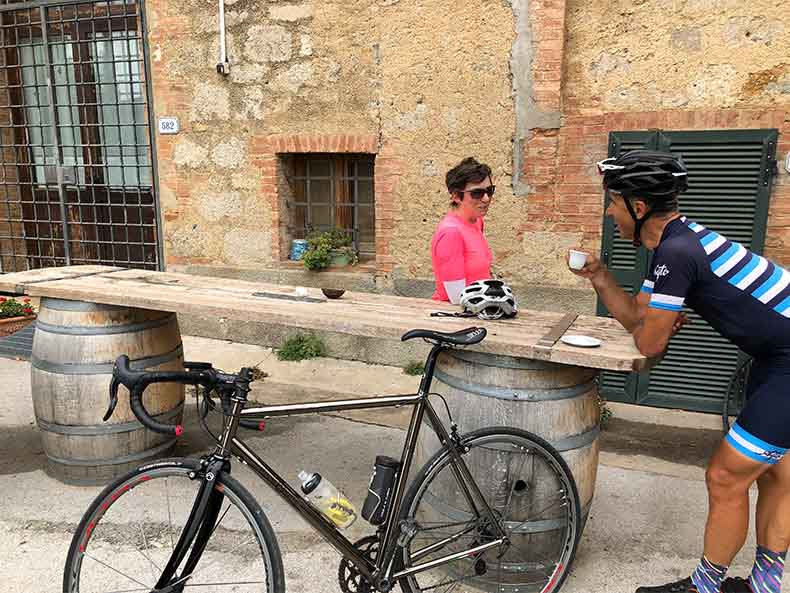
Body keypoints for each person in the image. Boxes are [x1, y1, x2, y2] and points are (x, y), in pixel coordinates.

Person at [570, 149, 790, 593]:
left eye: (614, 203)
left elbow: (650, 344)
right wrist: (600, 276)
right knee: (777, 472)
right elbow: (639, 318)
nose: (610, 214)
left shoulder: (678, 251)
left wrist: (659, 326)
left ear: (638, 206)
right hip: (776, 355)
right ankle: (763, 587)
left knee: (726, 476)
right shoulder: (676, 245)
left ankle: (704, 587)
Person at [431, 157, 495, 303]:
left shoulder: (477, 222)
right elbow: (457, 297)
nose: (486, 198)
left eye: (489, 191)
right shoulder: (451, 233)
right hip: (455, 316)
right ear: (456, 196)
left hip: (479, 310)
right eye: (477, 193)